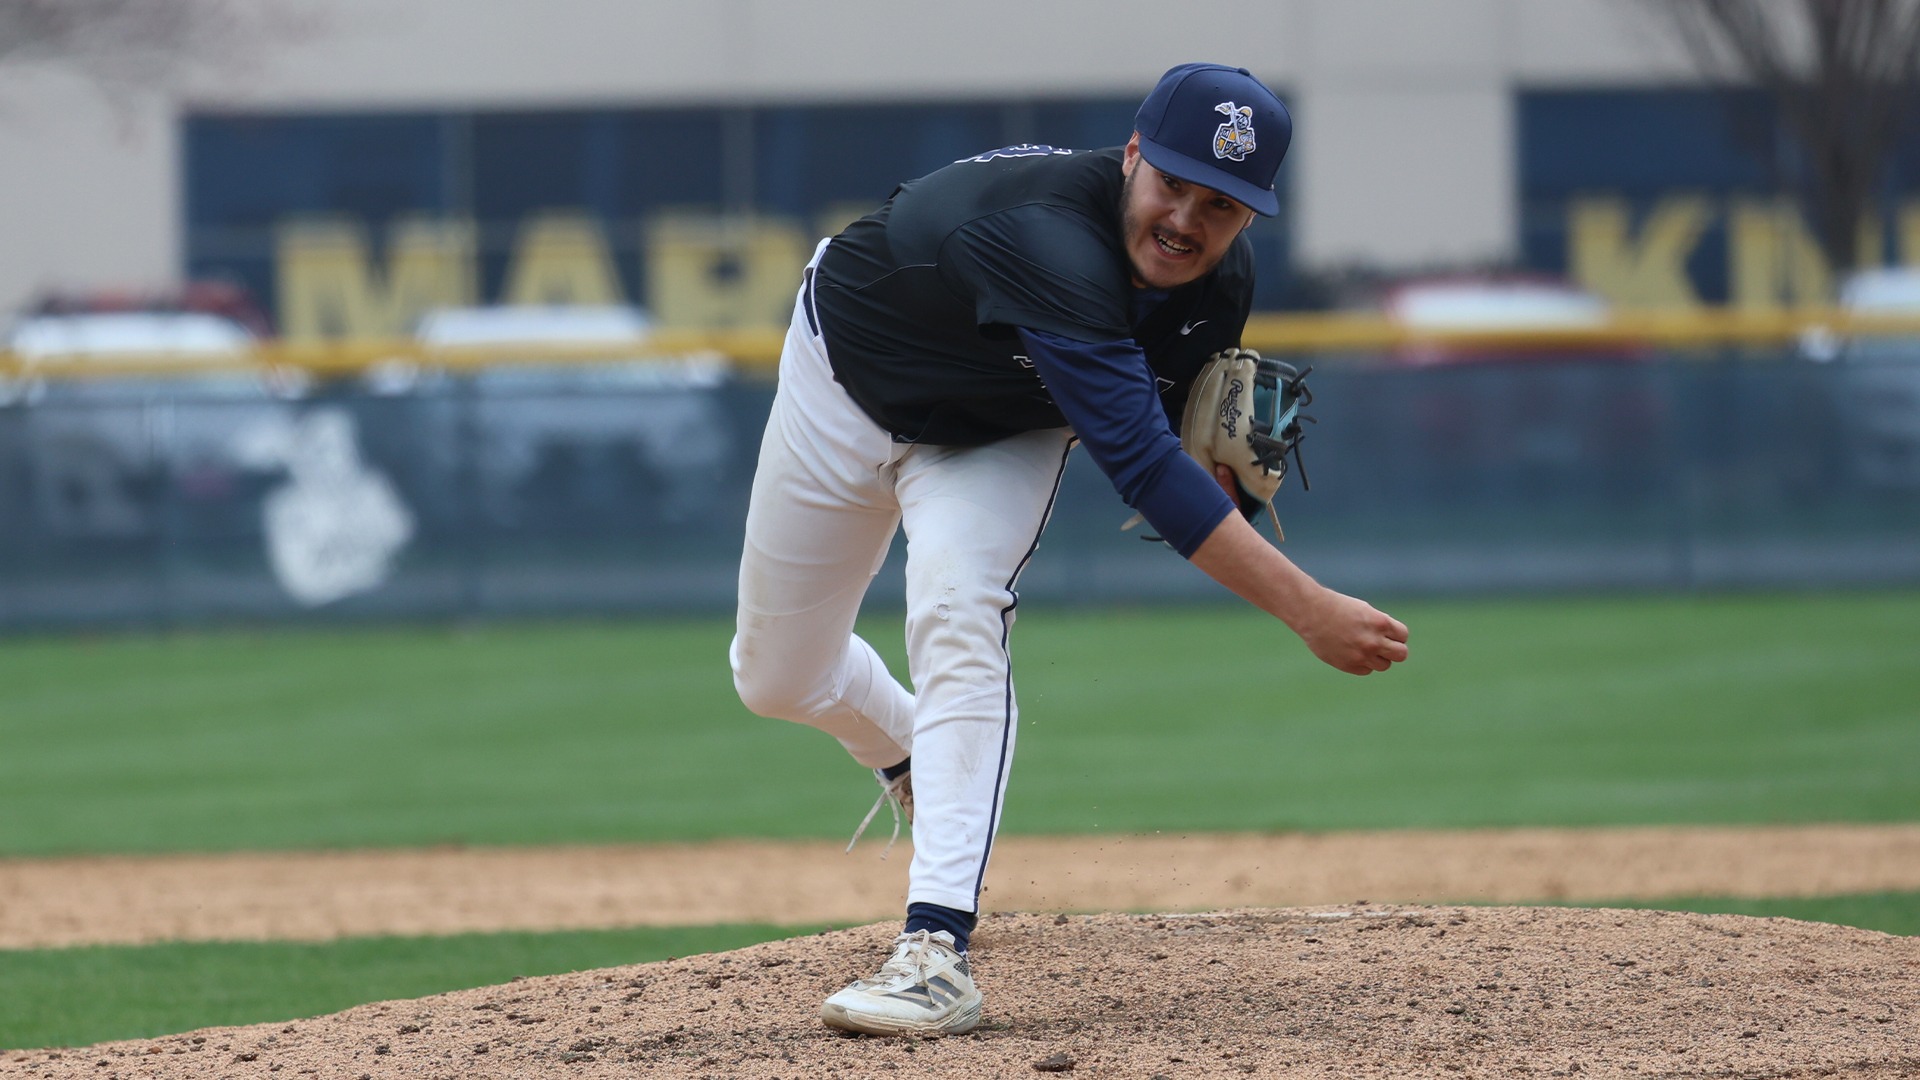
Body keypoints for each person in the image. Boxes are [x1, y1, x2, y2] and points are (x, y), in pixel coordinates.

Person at [730, 62, 1409, 1037]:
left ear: (1251, 218)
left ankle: (934, 952)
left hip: (998, 434)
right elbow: (1138, 460)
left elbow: (1170, 440)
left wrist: (1214, 478)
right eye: (1170, 182)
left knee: (959, 602)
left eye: (1219, 205)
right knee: (775, 678)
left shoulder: (1221, 284)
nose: (1185, 219)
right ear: (1131, 155)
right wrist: (1307, 606)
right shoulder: (1046, 235)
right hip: (841, 385)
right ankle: (911, 751)